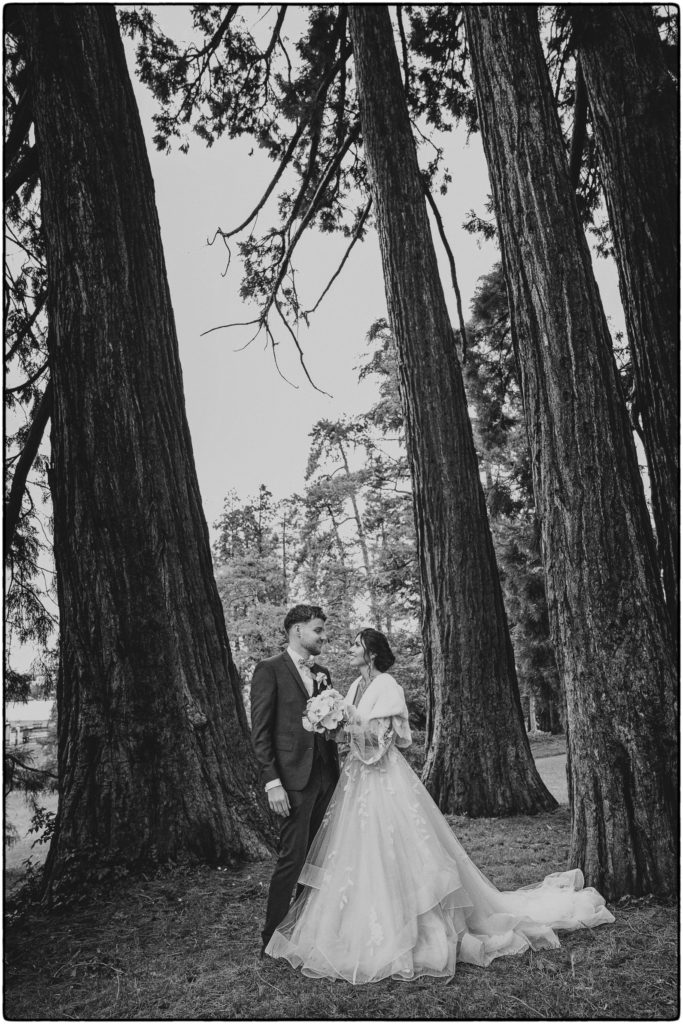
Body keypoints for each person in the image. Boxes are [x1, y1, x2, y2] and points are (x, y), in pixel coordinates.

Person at [265, 628, 614, 985]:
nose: (350, 649)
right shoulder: (354, 687)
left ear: (371, 653)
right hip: (355, 783)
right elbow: (350, 738)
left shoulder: (388, 687)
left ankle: (416, 930)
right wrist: (332, 725)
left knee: (398, 853)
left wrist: (348, 726)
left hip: (384, 781)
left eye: (356, 645)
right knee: (356, 856)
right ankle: (357, 928)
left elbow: (381, 745)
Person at [250, 604, 340, 956]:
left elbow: (329, 726)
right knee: (292, 857)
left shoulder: (323, 673)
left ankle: (304, 929)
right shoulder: (268, 670)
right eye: (318, 630)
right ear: (298, 630)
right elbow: (260, 733)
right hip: (291, 782)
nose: (322, 636)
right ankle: (272, 937)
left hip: (325, 777)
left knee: (318, 857)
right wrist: (273, 783)